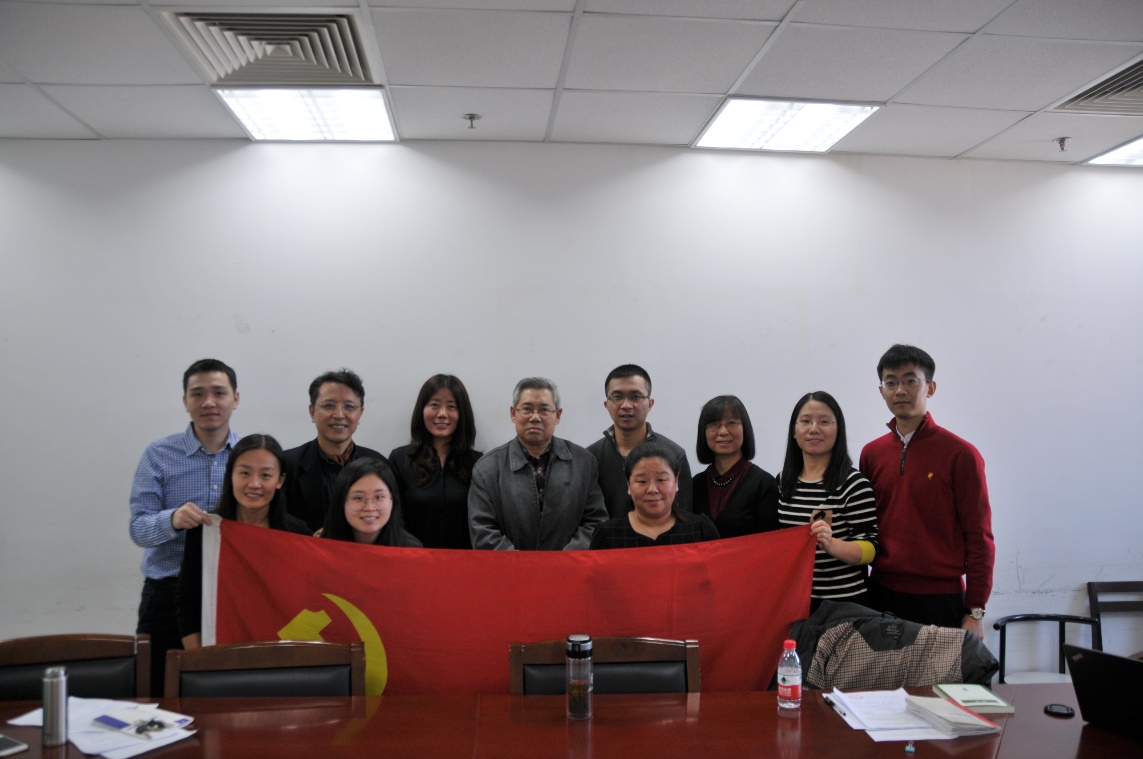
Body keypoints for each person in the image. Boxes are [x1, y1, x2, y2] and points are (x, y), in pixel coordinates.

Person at [859, 344, 995, 637]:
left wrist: (976, 609)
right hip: (881, 595)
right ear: (881, 391)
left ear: (930, 387)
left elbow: (979, 536)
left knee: (940, 672)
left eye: (911, 380)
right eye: (891, 382)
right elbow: (864, 529)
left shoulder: (960, 454)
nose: (900, 390)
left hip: (941, 601)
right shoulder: (871, 454)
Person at [128, 358, 240, 695]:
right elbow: (138, 529)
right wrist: (172, 519)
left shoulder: (250, 455)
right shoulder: (158, 454)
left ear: (235, 399)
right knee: (155, 690)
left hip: (231, 594)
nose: (209, 402)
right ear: (185, 401)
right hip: (167, 592)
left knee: (226, 691)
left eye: (219, 392)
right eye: (198, 394)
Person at [176, 434, 310, 649]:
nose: (254, 484)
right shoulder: (206, 530)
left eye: (266, 475)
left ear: (280, 480)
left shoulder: (298, 535)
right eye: (245, 473)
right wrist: (199, 660)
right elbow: (187, 603)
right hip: (218, 654)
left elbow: (304, 603)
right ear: (230, 475)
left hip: (280, 653)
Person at [468, 377, 608, 550]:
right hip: (510, 567)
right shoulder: (487, 469)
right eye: (527, 409)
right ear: (513, 413)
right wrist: (522, 563)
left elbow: (596, 522)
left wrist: (565, 560)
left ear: (558, 415)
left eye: (544, 410)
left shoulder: (584, 463)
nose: (535, 417)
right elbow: (482, 530)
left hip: (569, 565)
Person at [776, 391, 879, 612]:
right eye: (805, 421)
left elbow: (871, 549)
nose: (814, 429)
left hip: (845, 604)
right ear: (794, 431)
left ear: (838, 429)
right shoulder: (783, 481)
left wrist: (831, 544)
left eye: (824, 422)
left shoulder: (854, 484)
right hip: (796, 602)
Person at [283, 369, 385, 532]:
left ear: (360, 413)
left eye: (349, 406)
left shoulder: (380, 464)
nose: (339, 415)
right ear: (312, 412)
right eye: (329, 405)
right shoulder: (287, 465)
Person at [587, 364, 692, 518]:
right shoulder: (590, 457)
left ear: (650, 403)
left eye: (635, 397)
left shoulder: (674, 454)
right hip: (606, 534)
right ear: (606, 404)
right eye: (617, 397)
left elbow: (685, 516)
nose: (626, 405)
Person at [389, 375, 481, 548]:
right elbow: (393, 518)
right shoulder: (400, 459)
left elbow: (483, 523)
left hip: (464, 560)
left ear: (462, 413)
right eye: (434, 405)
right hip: (413, 558)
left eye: (451, 406)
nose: (442, 414)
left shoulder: (479, 464)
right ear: (422, 409)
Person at [590, 442, 719, 549]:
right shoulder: (607, 534)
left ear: (676, 482)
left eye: (661, 480)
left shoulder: (701, 529)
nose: (652, 489)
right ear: (628, 485)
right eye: (642, 481)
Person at [691, 395, 780, 538]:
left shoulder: (764, 484)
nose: (723, 431)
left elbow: (770, 543)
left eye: (731, 423)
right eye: (714, 424)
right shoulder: (695, 484)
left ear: (745, 428)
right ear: (704, 432)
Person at [321, 458, 422, 547]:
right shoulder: (321, 547)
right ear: (341, 501)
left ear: (393, 501)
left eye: (379, 497)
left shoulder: (411, 550)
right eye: (358, 498)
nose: (369, 508)